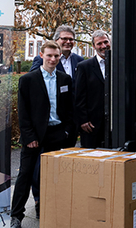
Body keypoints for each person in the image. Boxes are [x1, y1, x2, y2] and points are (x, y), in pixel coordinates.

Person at [11, 41, 74, 228]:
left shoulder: (65, 79)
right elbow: (23, 112)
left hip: (57, 134)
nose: (53, 59)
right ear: (41, 55)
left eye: (56, 56)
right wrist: (29, 137)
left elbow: (69, 110)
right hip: (34, 135)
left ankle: (50, 210)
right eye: (49, 55)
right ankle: (16, 217)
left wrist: (68, 132)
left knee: (54, 176)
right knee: (25, 175)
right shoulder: (28, 80)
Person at [74, 30, 111, 148]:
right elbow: (79, 95)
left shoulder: (119, 64)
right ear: (94, 46)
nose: (104, 46)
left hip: (114, 123)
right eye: (99, 44)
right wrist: (83, 120)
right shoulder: (84, 66)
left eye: (106, 42)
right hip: (92, 124)